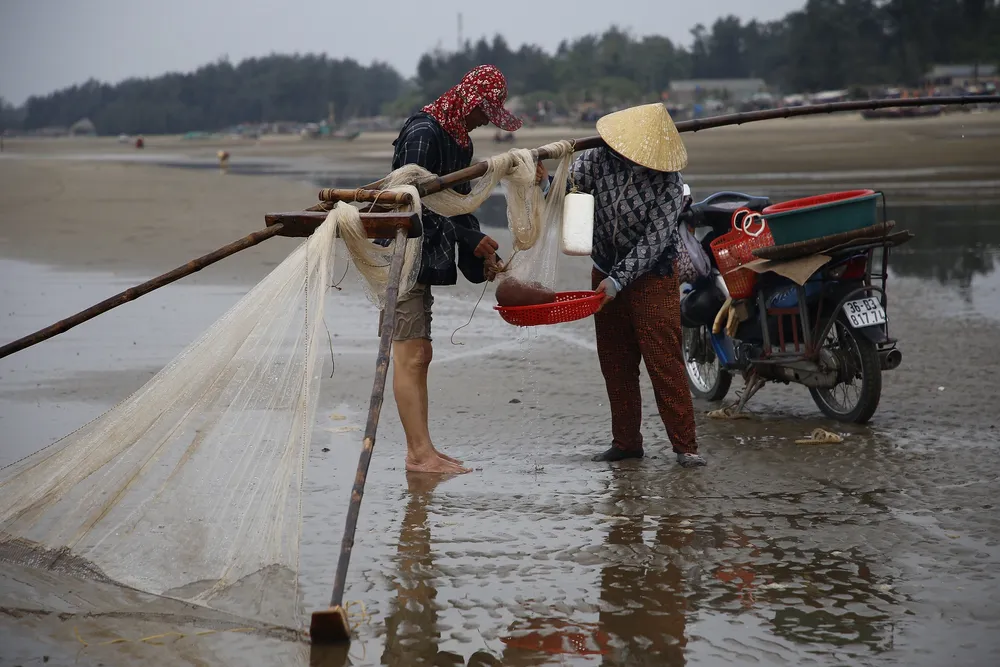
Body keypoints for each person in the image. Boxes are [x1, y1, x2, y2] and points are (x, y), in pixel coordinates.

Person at [385, 64, 542, 475]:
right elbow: (408, 205)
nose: (485, 120)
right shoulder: (424, 134)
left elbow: (459, 206)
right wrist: (467, 238)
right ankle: (419, 455)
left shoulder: (459, 139)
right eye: (484, 111)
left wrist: (479, 251)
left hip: (426, 253)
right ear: (468, 100)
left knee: (422, 354)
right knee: (411, 354)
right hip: (404, 253)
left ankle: (423, 450)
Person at [551, 103, 707, 467]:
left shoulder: (669, 184)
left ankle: (685, 446)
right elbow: (569, 185)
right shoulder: (598, 158)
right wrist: (547, 179)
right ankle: (626, 443)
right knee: (615, 361)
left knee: (663, 361)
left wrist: (618, 281)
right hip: (604, 267)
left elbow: (653, 243)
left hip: (653, 276)